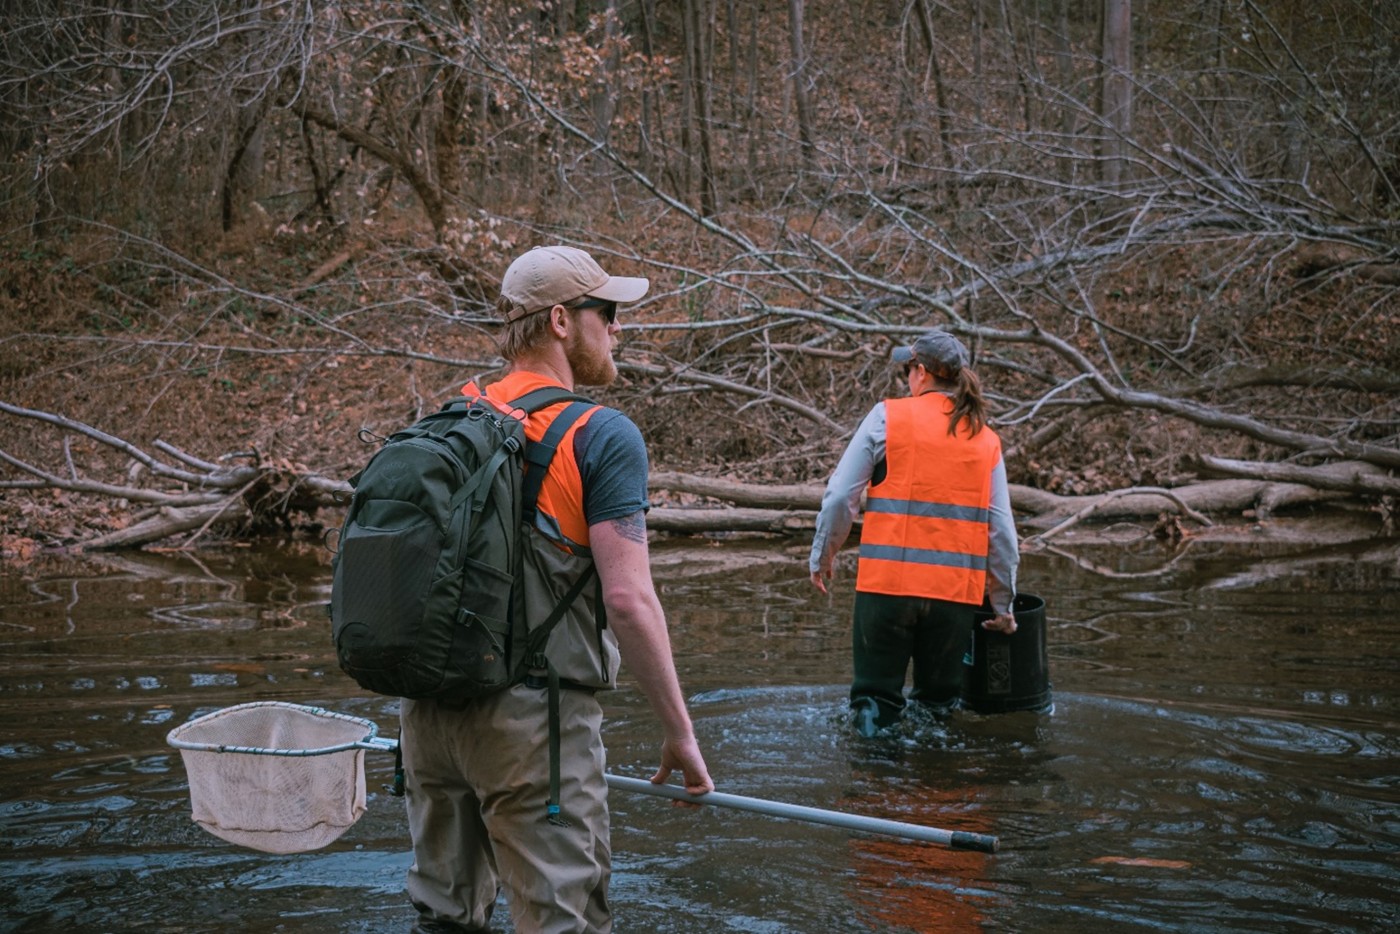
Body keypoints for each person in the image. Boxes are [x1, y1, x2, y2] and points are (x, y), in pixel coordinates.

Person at [400, 245, 713, 933]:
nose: (618, 329)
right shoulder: (601, 435)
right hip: (533, 728)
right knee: (563, 921)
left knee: (444, 918)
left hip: (426, 720)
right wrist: (679, 733)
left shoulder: (450, 420)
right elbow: (628, 600)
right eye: (609, 313)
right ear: (562, 322)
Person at [808, 329, 1019, 737]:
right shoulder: (985, 439)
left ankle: (873, 791)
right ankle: (932, 788)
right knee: (937, 709)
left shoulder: (888, 417)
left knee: (874, 702)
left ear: (920, 373)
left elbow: (838, 498)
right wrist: (1003, 602)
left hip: (887, 588)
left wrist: (824, 554)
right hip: (955, 596)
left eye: (908, 368)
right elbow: (1002, 531)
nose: (907, 376)